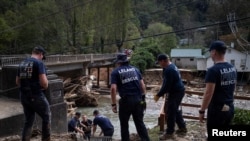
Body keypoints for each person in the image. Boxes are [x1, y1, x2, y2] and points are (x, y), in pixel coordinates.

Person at [199, 40, 237, 139]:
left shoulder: (213, 70)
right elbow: (233, 88)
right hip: (230, 107)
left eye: (210, 51)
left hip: (217, 110)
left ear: (214, 52)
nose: (210, 54)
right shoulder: (232, 68)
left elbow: (208, 93)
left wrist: (202, 111)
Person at [110, 53, 150, 141]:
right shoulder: (135, 69)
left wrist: (113, 104)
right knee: (139, 123)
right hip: (138, 99)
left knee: (124, 125)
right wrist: (143, 100)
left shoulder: (115, 72)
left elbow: (113, 89)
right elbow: (142, 85)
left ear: (118, 62)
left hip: (126, 101)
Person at [16, 46, 51, 141]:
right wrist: (45, 85)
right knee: (46, 116)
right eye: (42, 57)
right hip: (36, 95)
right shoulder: (39, 63)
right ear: (41, 54)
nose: (42, 59)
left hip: (24, 96)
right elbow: (44, 83)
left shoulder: (22, 63)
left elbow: (17, 82)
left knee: (28, 121)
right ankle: (46, 139)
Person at [154, 53, 187, 140]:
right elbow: (166, 83)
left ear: (163, 61)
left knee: (170, 112)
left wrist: (158, 94)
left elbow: (167, 86)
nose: (159, 64)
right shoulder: (170, 66)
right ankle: (182, 127)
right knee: (175, 110)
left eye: (159, 62)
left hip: (176, 92)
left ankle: (169, 133)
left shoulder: (169, 70)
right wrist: (162, 92)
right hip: (178, 91)